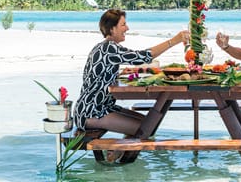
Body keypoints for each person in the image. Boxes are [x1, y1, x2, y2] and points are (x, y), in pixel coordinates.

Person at [72, 9, 189, 137]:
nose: (127, 28)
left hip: (101, 108)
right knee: (146, 130)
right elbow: (143, 57)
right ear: (112, 29)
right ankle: (116, 153)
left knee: (149, 124)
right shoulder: (109, 48)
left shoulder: (102, 47)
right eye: (123, 25)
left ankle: (120, 153)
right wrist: (174, 40)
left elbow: (97, 77)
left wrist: (118, 75)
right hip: (91, 112)